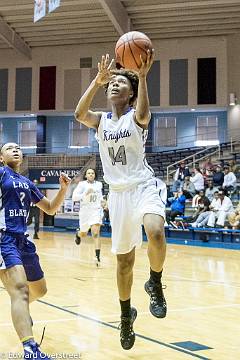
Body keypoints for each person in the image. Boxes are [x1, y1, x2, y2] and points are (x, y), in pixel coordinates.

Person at [75, 51, 167, 350]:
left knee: (155, 230)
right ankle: (126, 316)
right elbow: (79, 114)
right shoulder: (100, 121)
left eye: (120, 83)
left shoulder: (135, 116)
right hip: (117, 195)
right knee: (124, 262)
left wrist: (141, 77)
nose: (113, 85)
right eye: (111, 83)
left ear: (130, 95)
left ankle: (155, 282)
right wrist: (96, 80)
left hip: (142, 185)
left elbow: (143, 114)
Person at [0, 143, 71, 359]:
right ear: (1, 157)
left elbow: (49, 208)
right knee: (20, 290)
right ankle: (30, 349)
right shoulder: (1, 173)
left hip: (23, 241)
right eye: (9, 148)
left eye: (18, 148)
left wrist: (63, 190)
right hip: (4, 239)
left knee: (39, 290)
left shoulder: (27, 182)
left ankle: (21, 310)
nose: (15, 149)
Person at [72, 168, 103, 267]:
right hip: (85, 211)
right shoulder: (82, 185)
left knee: (95, 233)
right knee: (84, 233)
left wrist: (103, 202)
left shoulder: (99, 184)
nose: (91, 174)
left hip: (96, 210)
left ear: (95, 175)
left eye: (92, 173)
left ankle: (97, 257)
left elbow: (100, 197)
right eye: (89, 173)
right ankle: (78, 234)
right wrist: (85, 193)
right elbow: (74, 197)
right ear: (85, 175)